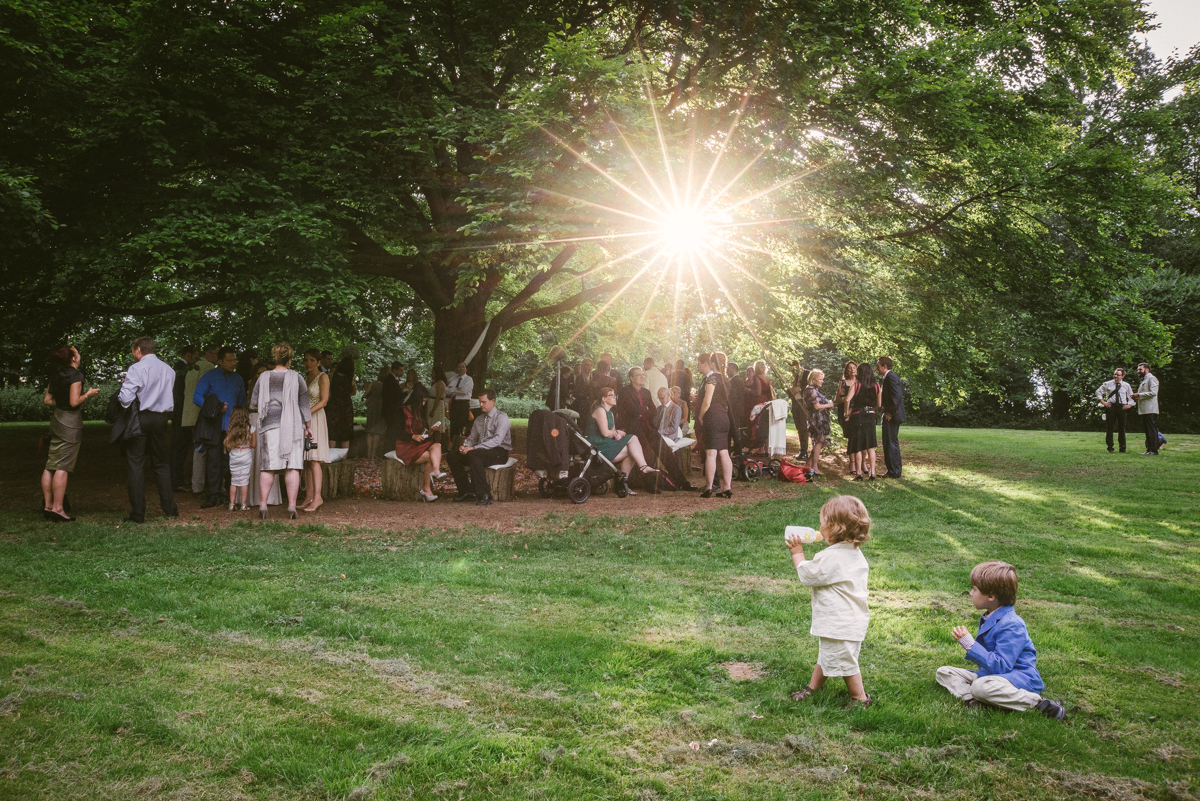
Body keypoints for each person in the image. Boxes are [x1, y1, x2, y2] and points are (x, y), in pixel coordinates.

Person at [936, 561, 1066, 720]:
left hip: (1018, 678)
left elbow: (1002, 666)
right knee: (944, 672)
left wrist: (970, 645)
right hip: (992, 676)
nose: (970, 593)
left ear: (991, 596)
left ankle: (1040, 704)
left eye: (975, 589)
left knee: (980, 687)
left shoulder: (1012, 624)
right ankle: (973, 700)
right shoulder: (992, 615)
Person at [786, 495, 873, 708]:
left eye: (823, 524)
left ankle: (860, 698)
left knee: (845, 662)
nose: (820, 528)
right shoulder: (853, 552)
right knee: (827, 656)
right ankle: (813, 688)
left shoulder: (831, 557)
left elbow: (807, 576)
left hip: (840, 622)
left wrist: (797, 553)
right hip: (849, 619)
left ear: (835, 529)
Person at [118, 336, 180, 523]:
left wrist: (124, 387)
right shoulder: (169, 370)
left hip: (141, 418)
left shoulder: (136, 369)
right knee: (161, 463)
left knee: (135, 463)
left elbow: (125, 400)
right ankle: (170, 508)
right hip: (161, 419)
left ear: (138, 350)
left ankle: (138, 513)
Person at [250, 342, 312, 519]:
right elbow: (304, 405)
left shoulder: (263, 377)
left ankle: (263, 506)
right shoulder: (297, 377)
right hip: (292, 425)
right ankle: (291, 506)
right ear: (290, 360)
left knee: (268, 467)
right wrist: (308, 427)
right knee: (292, 466)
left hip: (269, 425)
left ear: (274, 358)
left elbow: (254, 402)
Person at [41, 346, 100, 522]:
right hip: (70, 422)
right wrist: (88, 394)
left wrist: (63, 403)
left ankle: (48, 506)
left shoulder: (56, 376)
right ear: (74, 358)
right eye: (77, 352)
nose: (79, 355)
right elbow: (75, 402)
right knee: (63, 466)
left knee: (51, 463)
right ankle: (58, 509)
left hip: (57, 419)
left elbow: (47, 400)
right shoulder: (76, 376)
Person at [193, 346, 247, 509]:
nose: (233, 363)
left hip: (232, 427)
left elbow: (242, 402)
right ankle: (212, 494)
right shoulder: (208, 377)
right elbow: (197, 397)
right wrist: (214, 408)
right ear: (220, 361)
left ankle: (229, 495)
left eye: (234, 360)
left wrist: (240, 423)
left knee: (230, 461)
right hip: (213, 425)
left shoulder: (238, 379)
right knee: (213, 460)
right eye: (229, 360)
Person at [587, 386, 658, 491]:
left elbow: (612, 433)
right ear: (604, 398)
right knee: (633, 438)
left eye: (615, 395)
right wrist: (617, 432)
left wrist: (617, 435)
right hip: (599, 447)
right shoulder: (600, 410)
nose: (615, 397)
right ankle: (643, 467)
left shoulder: (610, 413)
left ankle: (623, 484)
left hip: (608, 444)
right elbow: (606, 433)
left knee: (632, 451)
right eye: (611, 395)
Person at [449, 389, 512, 506]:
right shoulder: (479, 419)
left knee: (474, 454)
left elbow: (497, 440)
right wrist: (465, 446)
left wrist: (473, 448)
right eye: (479, 402)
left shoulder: (502, 417)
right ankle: (467, 492)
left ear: (492, 401)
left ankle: (485, 494)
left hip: (499, 451)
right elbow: (472, 438)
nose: (480, 405)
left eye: (483, 402)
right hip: (480, 452)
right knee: (452, 455)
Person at [697, 352, 734, 499]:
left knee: (710, 453)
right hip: (724, 417)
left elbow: (707, 401)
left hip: (712, 417)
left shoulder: (712, 379)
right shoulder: (726, 380)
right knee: (724, 452)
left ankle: (709, 487)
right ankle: (727, 487)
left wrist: (700, 416)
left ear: (712, 363)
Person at [393, 401, 446, 503]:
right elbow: (395, 431)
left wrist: (430, 432)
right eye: (422, 400)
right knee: (432, 456)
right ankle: (426, 489)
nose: (423, 403)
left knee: (437, 445)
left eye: (426, 401)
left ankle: (436, 471)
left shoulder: (419, 412)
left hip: (417, 445)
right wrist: (412, 436)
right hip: (404, 446)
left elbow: (422, 436)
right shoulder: (401, 411)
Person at [184, 345, 218, 494]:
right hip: (203, 415)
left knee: (192, 448)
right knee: (202, 449)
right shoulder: (209, 367)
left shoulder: (193, 366)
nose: (218, 359)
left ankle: (192, 483)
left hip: (189, 412)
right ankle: (201, 484)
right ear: (209, 354)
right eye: (217, 355)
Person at [301, 348, 330, 512]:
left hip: (316, 417)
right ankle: (309, 496)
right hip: (305, 419)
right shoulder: (305, 378)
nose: (308, 363)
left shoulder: (323, 377)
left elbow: (324, 401)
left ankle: (318, 497)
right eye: (306, 360)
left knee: (314, 459)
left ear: (319, 362)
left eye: (312, 360)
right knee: (306, 459)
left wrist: (307, 413)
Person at [844, 362, 881, 480]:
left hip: (857, 416)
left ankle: (859, 473)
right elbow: (879, 404)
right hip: (870, 416)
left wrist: (846, 412)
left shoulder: (856, 385)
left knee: (858, 446)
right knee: (870, 446)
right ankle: (873, 472)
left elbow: (847, 400)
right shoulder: (877, 386)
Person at [170, 344, 199, 489]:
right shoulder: (182, 369)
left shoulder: (177, 368)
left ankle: (177, 479)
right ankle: (177, 480)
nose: (196, 360)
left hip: (178, 412)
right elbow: (179, 393)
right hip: (181, 413)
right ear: (188, 355)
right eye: (195, 356)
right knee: (180, 446)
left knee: (179, 446)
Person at [876, 356, 905, 477]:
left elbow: (896, 397)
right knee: (890, 442)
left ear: (884, 366)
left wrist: (890, 413)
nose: (877, 369)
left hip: (892, 416)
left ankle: (894, 471)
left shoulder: (890, 377)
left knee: (890, 443)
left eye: (878, 366)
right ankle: (893, 470)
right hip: (892, 414)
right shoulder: (888, 377)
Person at [1095, 368, 1134, 453]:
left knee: (1122, 428)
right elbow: (1098, 392)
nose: (1115, 376)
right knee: (1109, 427)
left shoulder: (1126, 385)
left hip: (1121, 407)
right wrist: (1104, 402)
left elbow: (1131, 396)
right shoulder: (1108, 384)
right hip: (1111, 407)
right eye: (1115, 374)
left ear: (1123, 376)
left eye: (1118, 375)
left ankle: (1122, 448)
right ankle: (1110, 447)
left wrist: (1129, 405)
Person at [803, 369, 834, 476]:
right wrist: (829, 405)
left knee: (820, 442)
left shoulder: (814, 390)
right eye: (820, 379)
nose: (822, 381)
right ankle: (815, 467)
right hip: (816, 420)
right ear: (814, 379)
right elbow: (816, 406)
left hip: (820, 420)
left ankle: (809, 464)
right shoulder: (811, 390)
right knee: (819, 442)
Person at [224, 406, 253, 511]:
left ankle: (231, 504)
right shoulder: (250, 429)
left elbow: (228, 444)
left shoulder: (231, 429)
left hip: (234, 456)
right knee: (244, 480)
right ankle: (243, 504)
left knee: (234, 480)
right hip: (246, 454)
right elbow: (254, 444)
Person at [326, 354, 357, 449]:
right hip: (346, 406)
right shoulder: (351, 378)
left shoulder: (331, 376)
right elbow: (353, 392)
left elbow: (328, 390)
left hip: (334, 404)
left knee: (333, 433)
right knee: (345, 435)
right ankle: (344, 459)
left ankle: (331, 457)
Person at [1132, 362, 1160, 456]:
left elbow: (1153, 393)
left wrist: (1139, 395)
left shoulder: (1152, 379)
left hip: (1150, 409)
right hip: (1145, 409)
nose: (1138, 371)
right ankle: (1149, 449)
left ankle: (1153, 450)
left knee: (1151, 429)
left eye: (1140, 369)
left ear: (1147, 369)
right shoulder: (1145, 380)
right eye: (1138, 369)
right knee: (1147, 429)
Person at [747, 360, 774, 454]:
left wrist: (748, 391)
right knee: (765, 423)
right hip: (766, 400)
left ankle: (760, 448)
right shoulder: (767, 378)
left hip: (759, 400)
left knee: (758, 422)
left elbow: (758, 392)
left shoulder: (757, 378)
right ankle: (765, 448)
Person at [362, 366, 389, 459]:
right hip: (381, 407)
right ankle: (373, 453)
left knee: (370, 430)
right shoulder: (387, 385)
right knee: (377, 431)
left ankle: (368, 453)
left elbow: (365, 394)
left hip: (372, 407)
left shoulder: (373, 383)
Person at [788, 362, 810, 460]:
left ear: (797, 366)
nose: (792, 372)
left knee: (803, 427)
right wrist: (790, 390)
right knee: (799, 427)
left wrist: (800, 389)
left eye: (793, 370)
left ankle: (805, 452)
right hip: (795, 403)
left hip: (804, 404)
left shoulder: (807, 374)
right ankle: (802, 451)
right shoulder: (795, 378)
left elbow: (811, 388)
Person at [446, 362, 474, 439]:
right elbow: (447, 390)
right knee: (453, 425)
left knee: (462, 425)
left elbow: (464, 391)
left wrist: (453, 390)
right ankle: (454, 444)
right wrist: (458, 389)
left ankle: (462, 444)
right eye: (459, 367)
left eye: (463, 367)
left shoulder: (468, 379)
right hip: (454, 404)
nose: (461, 368)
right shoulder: (454, 379)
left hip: (463, 404)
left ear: (466, 369)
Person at [383, 361, 405, 449]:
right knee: (391, 430)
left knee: (391, 430)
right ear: (394, 370)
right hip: (391, 410)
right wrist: (406, 392)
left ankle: (390, 448)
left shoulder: (393, 379)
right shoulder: (390, 380)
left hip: (392, 409)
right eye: (400, 371)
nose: (402, 373)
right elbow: (395, 396)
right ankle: (388, 449)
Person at [832, 361, 856, 443]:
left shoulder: (860, 382)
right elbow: (837, 399)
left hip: (855, 410)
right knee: (848, 433)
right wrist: (845, 399)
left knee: (855, 434)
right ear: (846, 370)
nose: (852, 370)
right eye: (850, 368)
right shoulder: (843, 383)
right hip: (843, 409)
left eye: (854, 368)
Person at [426, 365, 450, 444]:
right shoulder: (435, 383)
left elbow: (438, 397)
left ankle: (437, 444)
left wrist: (433, 410)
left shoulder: (440, 383)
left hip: (436, 407)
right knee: (430, 426)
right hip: (431, 405)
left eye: (432, 372)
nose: (431, 374)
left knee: (437, 428)